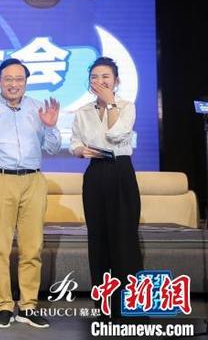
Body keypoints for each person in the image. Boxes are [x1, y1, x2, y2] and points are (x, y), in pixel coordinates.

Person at [0, 58, 61, 329]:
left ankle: (28, 306)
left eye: (19, 79)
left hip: (33, 180)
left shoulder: (37, 108)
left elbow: (53, 148)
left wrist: (50, 126)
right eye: (8, 79)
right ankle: (4, 305)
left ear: (26, 82)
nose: (14, 84)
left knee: (32, 247)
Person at [69, 57, 142, 318]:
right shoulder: (83, 111)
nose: (99, 81)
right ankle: (104, 307)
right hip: (95, 174)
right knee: (98, 240)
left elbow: (116, 134)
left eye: (105, 77)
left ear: (116, 81)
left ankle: (130, 307)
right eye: (94, 77)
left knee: (124, 239)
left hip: (120, 171)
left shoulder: (126, 106)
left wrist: (110, 103)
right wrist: (79, 150)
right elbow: (74, 141)